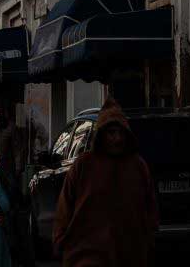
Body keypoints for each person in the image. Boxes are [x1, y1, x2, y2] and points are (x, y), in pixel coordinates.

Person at [53, 97, 158, 267]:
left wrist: (149, 238)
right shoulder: (83, 165)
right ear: (101, 135)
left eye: (120, 132)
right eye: (111, 133)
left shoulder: (137, 166)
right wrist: (61, 241)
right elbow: (65, 207)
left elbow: (149, 208)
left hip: (129, 255)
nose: (117, 138)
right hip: (87, 256)